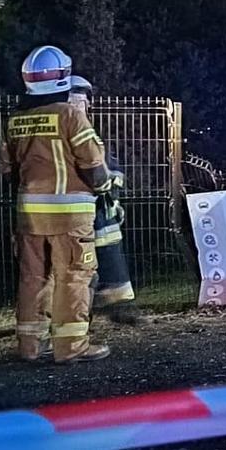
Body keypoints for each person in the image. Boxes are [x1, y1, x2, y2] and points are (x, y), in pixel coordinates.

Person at [1, 45, 113, 363]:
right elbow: (92, 162)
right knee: (74, 275)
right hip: (70, 214)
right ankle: (71, 346)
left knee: (32, 276)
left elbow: (6, 168)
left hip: (28, 214)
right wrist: (105, 187)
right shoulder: (69, 114)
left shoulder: (16, 119)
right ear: (63, 77)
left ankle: (30, 345)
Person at [67, 75, 142, 325]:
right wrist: (104, 186)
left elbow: (108, 165)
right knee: (77, 262)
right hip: (79, 208)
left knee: (106, 254)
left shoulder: (84, 128)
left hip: (100, 209)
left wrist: (113, 196)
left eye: (83, 101)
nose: (81, 105)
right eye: (76, 100)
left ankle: (118, 306)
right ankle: (80, 314)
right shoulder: (70, 127)